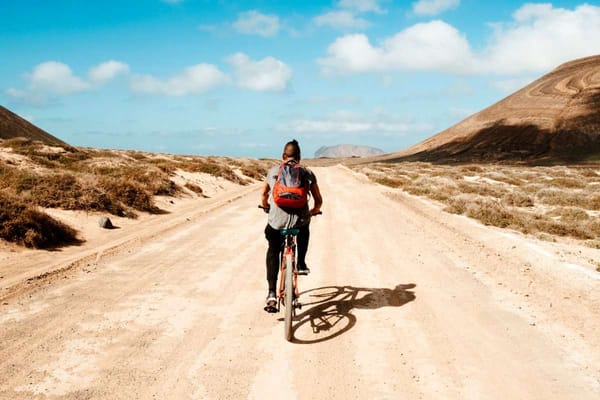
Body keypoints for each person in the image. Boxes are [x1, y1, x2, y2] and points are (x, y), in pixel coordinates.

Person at [261, 139, 323, 312]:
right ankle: (301, 263)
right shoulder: (307, 172)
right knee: (305, 228)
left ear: (283, 156)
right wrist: (314, 211)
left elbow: (264, 194)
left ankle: (272, 294)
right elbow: (318, 200)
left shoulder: (273, 171)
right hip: (299, 220)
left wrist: (266, 206)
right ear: (299, 157)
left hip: (276, 221)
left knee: (273, 249)